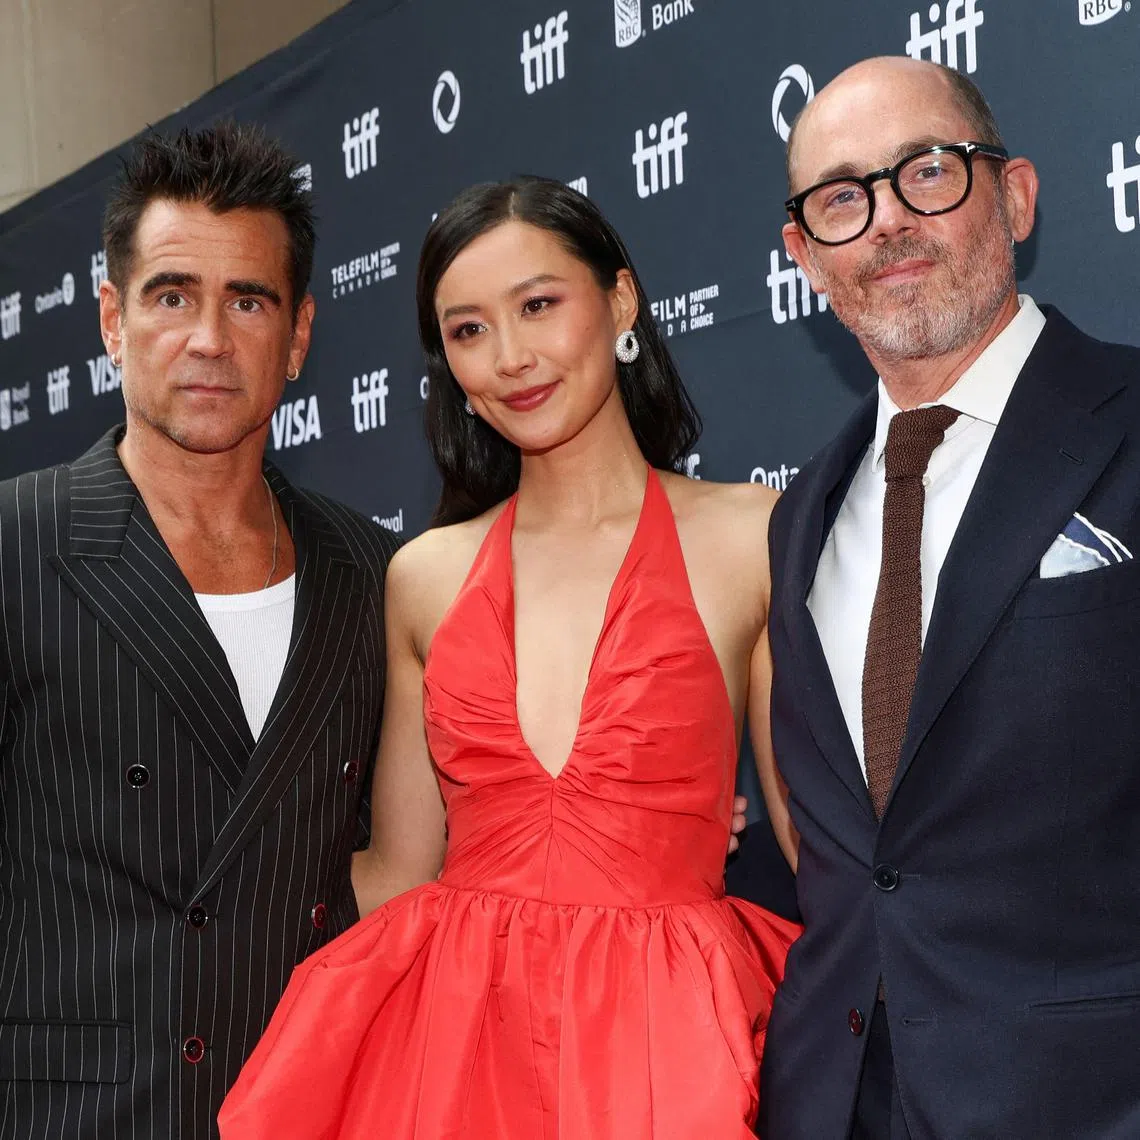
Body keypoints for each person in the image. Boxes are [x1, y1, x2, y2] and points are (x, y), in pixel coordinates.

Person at [218, 176, 800, 1139]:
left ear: (620, 301)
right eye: (468, 330)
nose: (510, 359)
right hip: (455, 1051)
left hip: (669, 1047)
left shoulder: (752, 538)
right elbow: (402, 869)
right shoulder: (425, 576)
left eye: (538, 305)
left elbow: (813, 844)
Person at [752, 56, 1140, 1140]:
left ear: (1015, 196)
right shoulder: (800, 518)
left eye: (927, 170)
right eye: (842, 198)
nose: (887, 220)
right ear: (805, 258)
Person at [0, 124, 400, 1139]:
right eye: (173, 296)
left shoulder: (372, 572)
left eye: (249, 301)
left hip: (308, 1108)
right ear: (113, 320)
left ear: (299, 336)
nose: (210, 339)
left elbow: (403, 858)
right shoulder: (15, 543)